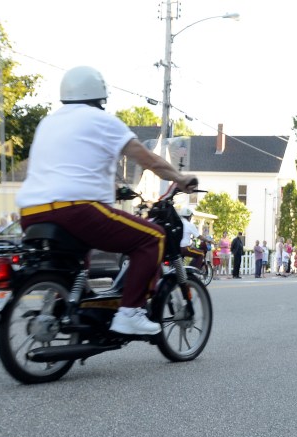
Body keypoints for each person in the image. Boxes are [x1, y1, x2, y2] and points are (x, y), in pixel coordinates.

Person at [16, 65, 197, 336]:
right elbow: (147, 158)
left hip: (31, 212)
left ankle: (72, 309)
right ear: (99, 96)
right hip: (76, 211)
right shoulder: (102, 120)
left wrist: (113, 190)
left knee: (75, 260)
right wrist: (180, 178)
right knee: (153, 238)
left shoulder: (48, 123)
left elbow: (68, 169)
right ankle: (130, 313)